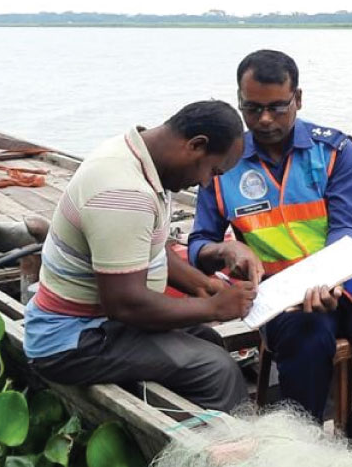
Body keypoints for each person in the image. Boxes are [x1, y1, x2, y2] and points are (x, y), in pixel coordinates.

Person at [188, 49, 352, 435]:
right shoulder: (223, 164)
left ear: (298, 98)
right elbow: (199, 244)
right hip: (283, 297)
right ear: (239, 101)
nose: (264, 119)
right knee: (308, 337)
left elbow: (345, 229)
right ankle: (303, 444)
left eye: (277, 107)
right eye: (252, 108)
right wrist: (225, 249)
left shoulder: (334, 151)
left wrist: (329, 279)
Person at [24, 101, 256, 412]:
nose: (205, 183)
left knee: (208, 340)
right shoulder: (124, 192)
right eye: (212, 171)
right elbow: (124, 304)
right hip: (70, 340)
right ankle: (217, 442)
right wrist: (213, 307)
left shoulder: (137, 157)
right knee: (217, 371)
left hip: (99, 323)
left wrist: (204, 286)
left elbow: (145, 247)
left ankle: (187, 419)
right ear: (196, 145)